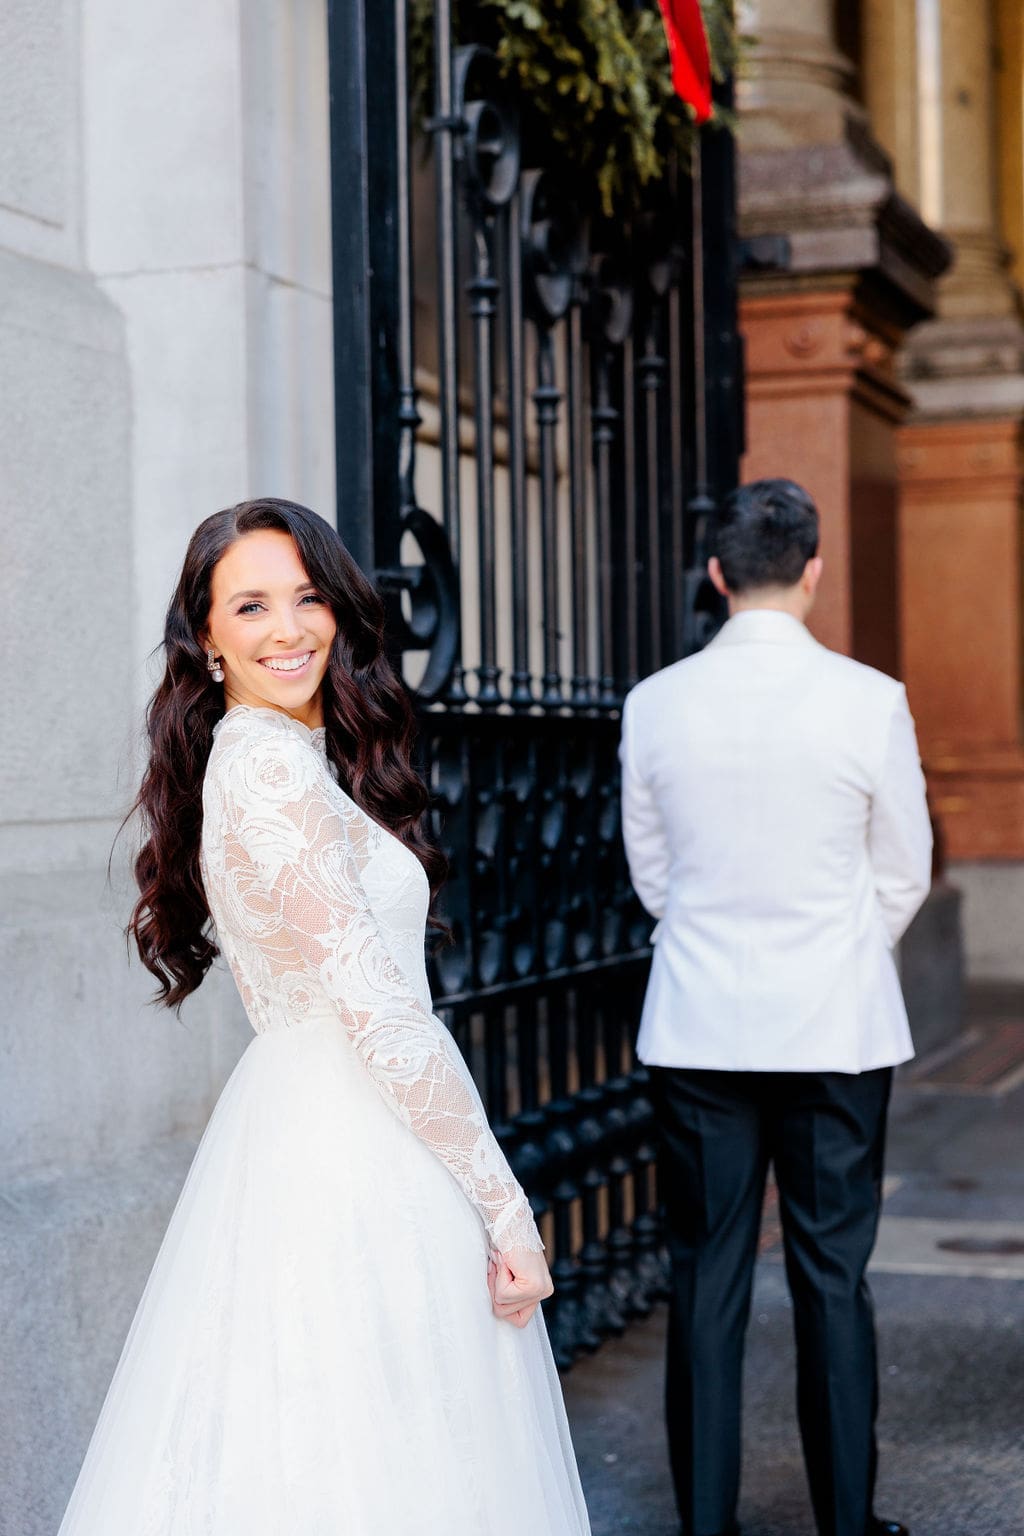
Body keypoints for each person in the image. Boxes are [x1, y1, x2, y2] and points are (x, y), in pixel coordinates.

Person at [58, 498, 590, 1535]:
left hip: (331, 1120)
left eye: (307, 598)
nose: (289, 629)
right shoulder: (265, 769)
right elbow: (381, 1011)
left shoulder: (279, 761)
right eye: (249, 606)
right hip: (351, 1134)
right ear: (206, 637)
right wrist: (502, 1201)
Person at [619, 479, 932, 1536]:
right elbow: (904, 869)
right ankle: (846, 1524)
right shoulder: (868, 699)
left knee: (704, 1277)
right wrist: (839, 951)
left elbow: (651, 874)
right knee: (831, 1277)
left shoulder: (653, 703)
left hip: (700, 1020)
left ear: (715, 578)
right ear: (812, 569)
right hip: (835, 1025)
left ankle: (705, 1525)